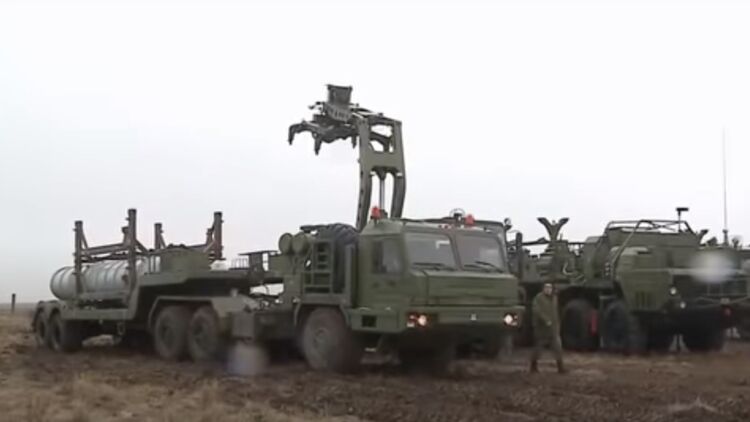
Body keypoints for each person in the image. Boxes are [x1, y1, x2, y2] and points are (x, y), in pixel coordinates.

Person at [529, 282, 567, 374]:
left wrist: (557, 325)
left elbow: (555, 313)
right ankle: (533, 366)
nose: (548, 290)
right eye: (546, 288)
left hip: (553, 329)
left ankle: (560, 367)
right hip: (542, 329)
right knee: (538, 349)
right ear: (543, 289)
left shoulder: (554, 298)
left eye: (550, 288)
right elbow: (536, 311)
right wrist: (545, 320)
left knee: (558, 348)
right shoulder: (538, 298)